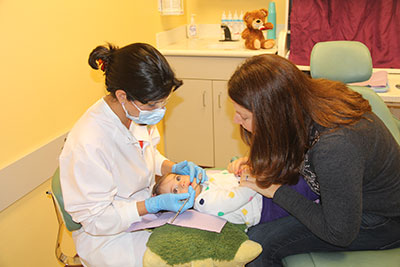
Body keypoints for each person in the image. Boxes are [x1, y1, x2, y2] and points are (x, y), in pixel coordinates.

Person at [226, 54, 400, 267]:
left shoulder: (335, 146)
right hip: (346, 200)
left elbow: (339, 232)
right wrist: (263, 162)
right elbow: (297, 147)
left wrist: (276, 191)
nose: (236, 120)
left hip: (384, 221)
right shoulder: (305, 99)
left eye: (243, 117)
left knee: (256, 244)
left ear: (273, 116)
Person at [59, 42, 207, 267]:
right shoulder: (88, 142)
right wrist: (153, 205)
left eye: (164, 103)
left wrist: (172, 167)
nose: (159, 111)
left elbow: (146, 155)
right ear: (122, 96)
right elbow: (96, 220)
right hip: (109, 238)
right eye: (153, 105)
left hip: (144, 217)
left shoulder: (135, 114)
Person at [152, 171, 318, 227]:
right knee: (302, 189)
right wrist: (250, 179)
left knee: (297, 178)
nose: (182, 183)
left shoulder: (204, 180)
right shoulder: (204, 202)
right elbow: (237, 197)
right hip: (263, 206)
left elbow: (228, 178)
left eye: (178, 178)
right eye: (175, 190)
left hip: (259, 191)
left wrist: (239, 172)